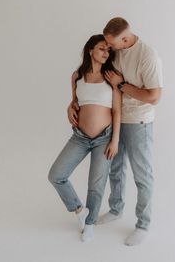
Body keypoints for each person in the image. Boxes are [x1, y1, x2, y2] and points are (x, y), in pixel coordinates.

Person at [68, 17, 163, 246]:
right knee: (115, 167)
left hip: (139, 121)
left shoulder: (147, 56)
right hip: (114, 121)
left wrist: (122, 85)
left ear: (125, 38)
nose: (109, 50)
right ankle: (116, 208)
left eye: (112, 45)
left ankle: (143, 224)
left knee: (143, 174)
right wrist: (72, 104)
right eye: (107, 46)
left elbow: (154, 97)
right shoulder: (117, 51)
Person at [48, 34, 121, 242]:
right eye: (101, 48)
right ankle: (81, 211)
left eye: (108, 50)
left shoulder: (112, 76)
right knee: (56, 175)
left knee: (96, 185)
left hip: (104, 138)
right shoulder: (77, 76)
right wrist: (69, 107)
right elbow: (75, 102)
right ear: (90, 50)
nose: (106, 53)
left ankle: (89, 225)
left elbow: (117, 110)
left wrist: (115, 140)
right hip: (79, 137)